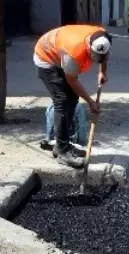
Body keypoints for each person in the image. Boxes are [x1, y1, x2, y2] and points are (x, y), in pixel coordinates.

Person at [33, 24, 109, 168]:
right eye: (94, 56)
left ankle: (63, 144)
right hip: (46, 58)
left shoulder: (102, 37)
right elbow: (72, 80)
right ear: (89, 47)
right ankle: (62, 151)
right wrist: (90, 101)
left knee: (72, 99)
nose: (95, 59)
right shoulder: (74, 51)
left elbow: (104, 55)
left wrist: (102, 72)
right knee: (62, 101)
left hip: (59, 52)